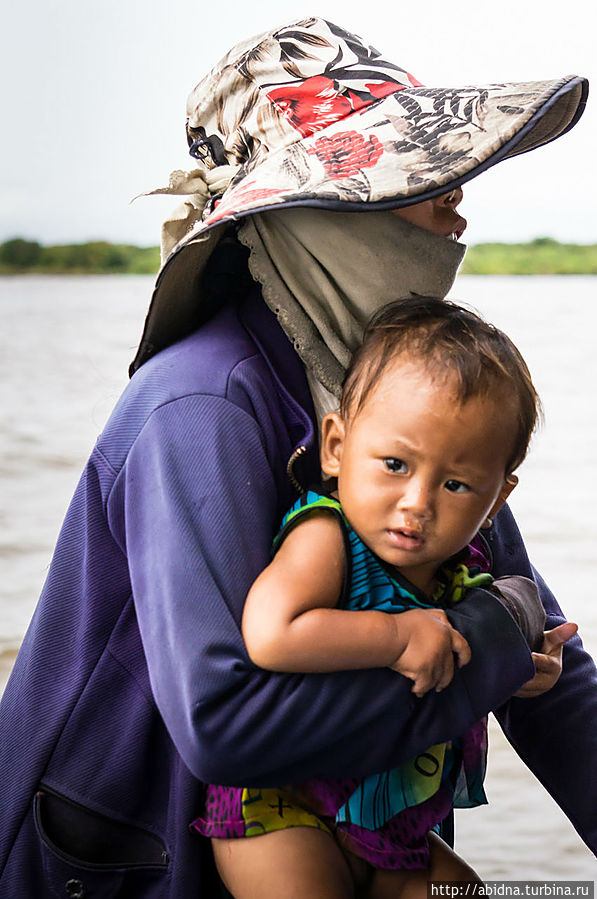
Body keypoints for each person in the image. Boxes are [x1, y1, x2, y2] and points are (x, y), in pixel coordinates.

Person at [0, 17, 594, 898]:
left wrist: (500, 639)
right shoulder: (198, 404)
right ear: (309, 206)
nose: (457, 200)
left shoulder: (399, 396)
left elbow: (545, 663)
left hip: (347, 838)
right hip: (128, 855)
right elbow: (227, 725)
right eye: (418, 174)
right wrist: (491, 645)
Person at [199, 297, 576, 897]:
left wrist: (524, 665)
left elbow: (478, 639)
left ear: (497, 500)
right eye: (395, 464)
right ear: (337, 448)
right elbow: (273, 632)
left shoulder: (463, 563)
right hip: (287, 814)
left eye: (455, 484)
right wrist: (398, 636)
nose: (418, 503)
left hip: (392, 824)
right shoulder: (327, 535)